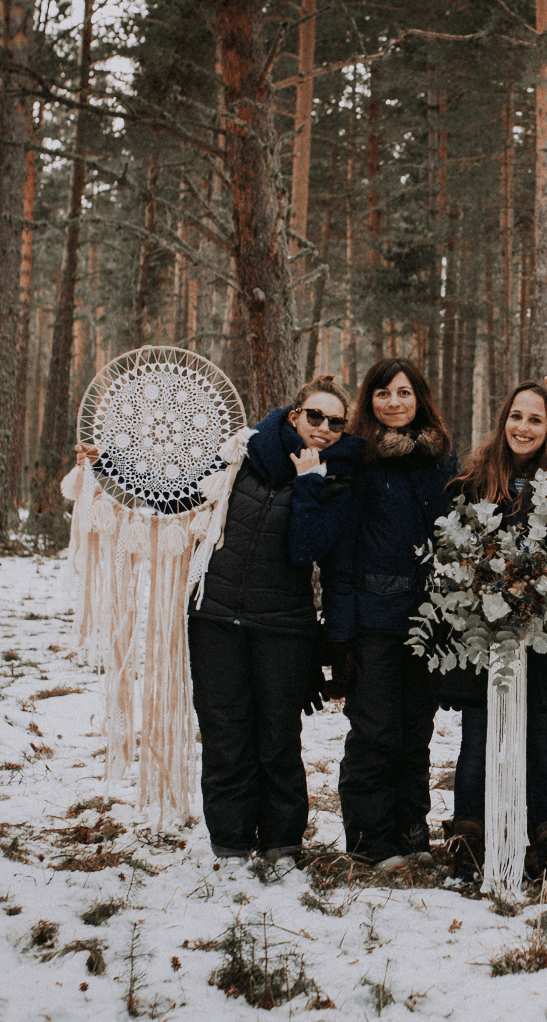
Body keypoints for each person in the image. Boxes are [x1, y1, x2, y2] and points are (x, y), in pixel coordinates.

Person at [186, 375, 360, 875]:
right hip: (216, 618)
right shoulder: (240, 455)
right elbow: (182, 492)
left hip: (283, 628)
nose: (324, 428)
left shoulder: (337, 480)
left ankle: (283, 841)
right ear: (293, 415)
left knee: (278, 735)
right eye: (315, 417)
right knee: (224, 732)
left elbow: (307, 550)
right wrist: (109, 466)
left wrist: (309, 484)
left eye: (335, 422)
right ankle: (231, 842)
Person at [290, 358, 457, 866]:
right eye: (382, 393)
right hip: (373, 620)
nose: (393, 402)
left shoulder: (440, 461)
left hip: (430, 620)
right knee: (375, 732)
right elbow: (339, 553)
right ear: (369, 401)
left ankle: (411, 834)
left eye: (404, 393)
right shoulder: (354, 458)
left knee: (416, 731)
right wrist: (340, 631)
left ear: (420, 399)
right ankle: (369, 842)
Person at [438, 382, 547, 881]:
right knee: (477, 737)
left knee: (544, 739)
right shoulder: (474, 478)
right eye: (516, 416)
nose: (523, 428)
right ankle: (469, 840)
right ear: (503, 419)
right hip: (483, 630)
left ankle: (544, 843)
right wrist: (479, 575)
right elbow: (450, 549)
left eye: (536, 419)